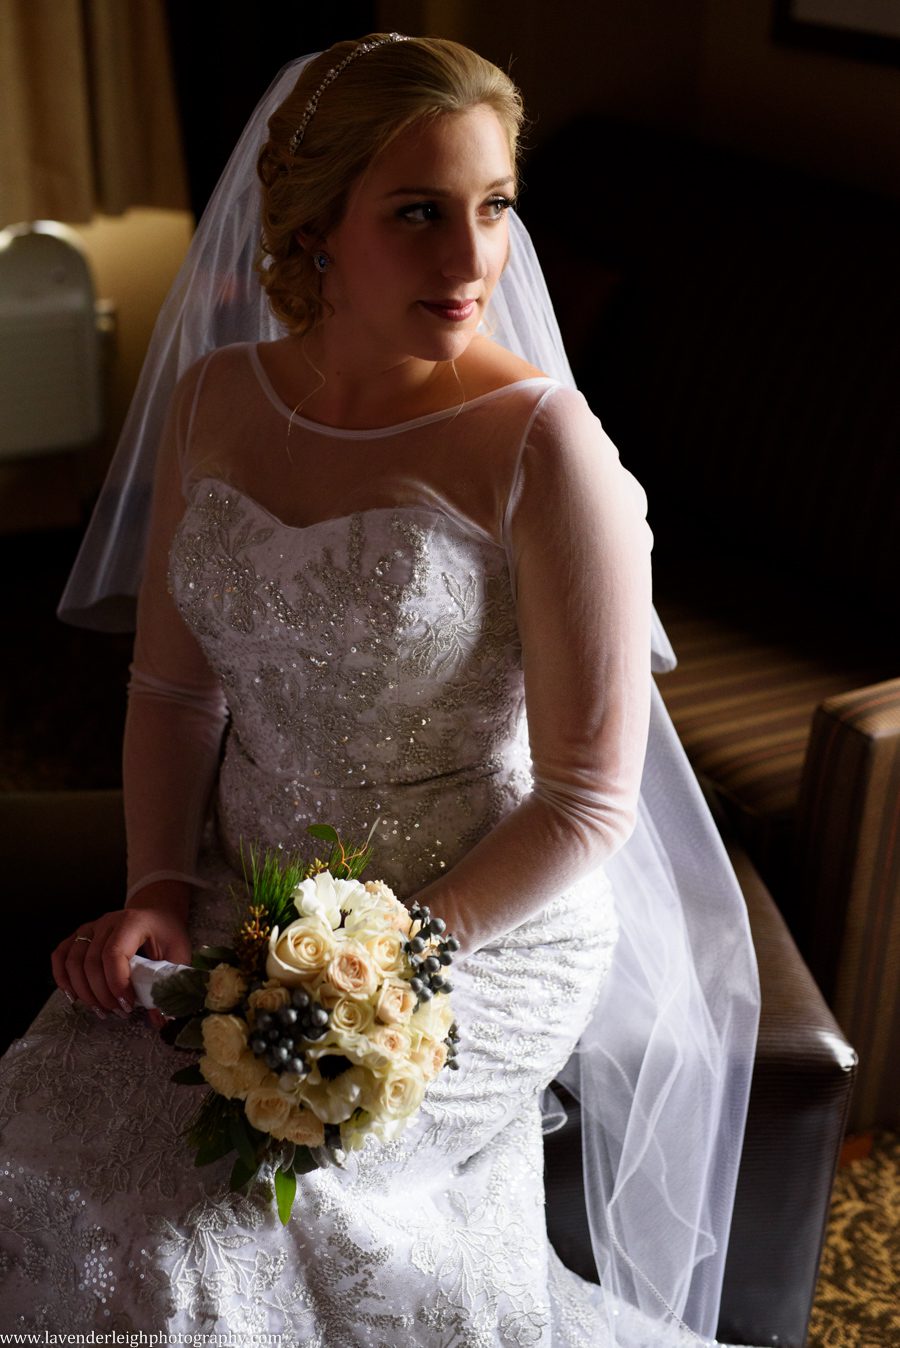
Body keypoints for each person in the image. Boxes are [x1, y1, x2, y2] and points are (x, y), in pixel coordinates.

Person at [0, 35, 760, 1346]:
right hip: (249, 886)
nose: (472, 260)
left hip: (479, 926)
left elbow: (587, 800)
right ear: (318, 226)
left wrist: (390, 967)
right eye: (418, 212)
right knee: (43, 1146)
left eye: (494, 206)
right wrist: (159, 892)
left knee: (212, 1236)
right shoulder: (213, 399)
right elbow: (174, 694)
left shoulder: (545, 446)